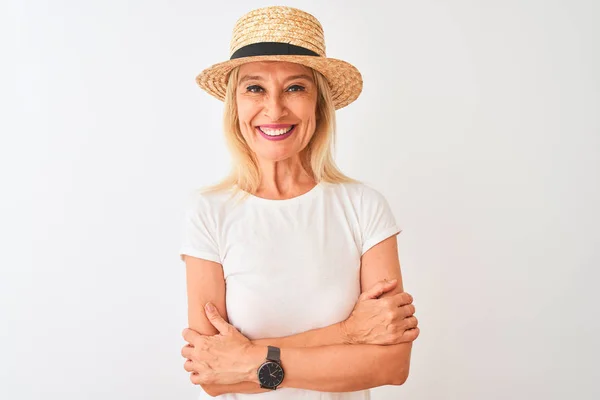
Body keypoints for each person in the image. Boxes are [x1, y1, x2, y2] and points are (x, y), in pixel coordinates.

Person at [178, 6, 420, 399]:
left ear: (319, 103)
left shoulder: (364, 207)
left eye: (295, 87)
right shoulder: (209, 212)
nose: (274, 109)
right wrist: (348, 335)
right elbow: (209, 374)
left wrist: (248, 360)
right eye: (255, 87)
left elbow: (391, 366)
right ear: (235, 103)